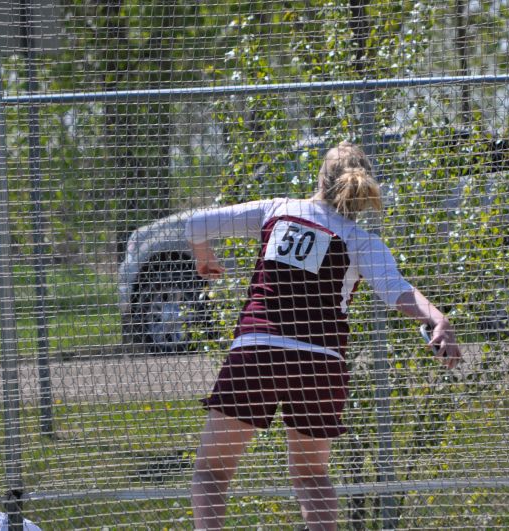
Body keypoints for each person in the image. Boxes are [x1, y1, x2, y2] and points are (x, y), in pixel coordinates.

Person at [185, 141, 461, 530]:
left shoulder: (278, 209)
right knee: (312, 477)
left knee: (212, 472)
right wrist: (438, 319)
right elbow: (396, 291)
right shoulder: (360, 239)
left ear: (320, 178)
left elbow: (195, 225)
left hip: (256, 352)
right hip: (319, 363)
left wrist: (204, 257)